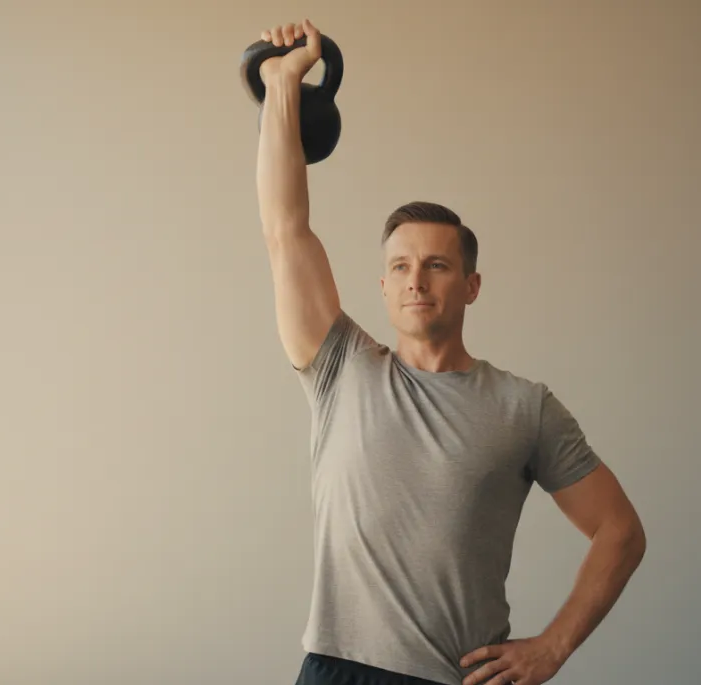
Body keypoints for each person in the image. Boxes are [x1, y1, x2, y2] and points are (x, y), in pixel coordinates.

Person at [255, 19, 647, 685]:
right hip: (335, 670)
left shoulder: (524, 406)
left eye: (436, 265)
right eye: (401, 266)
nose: (416, 279)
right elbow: (285, 227)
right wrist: (280, 86)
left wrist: (552, 646)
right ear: (382, 285)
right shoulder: (340, 369)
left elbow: (621, 531)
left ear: (470, 285)